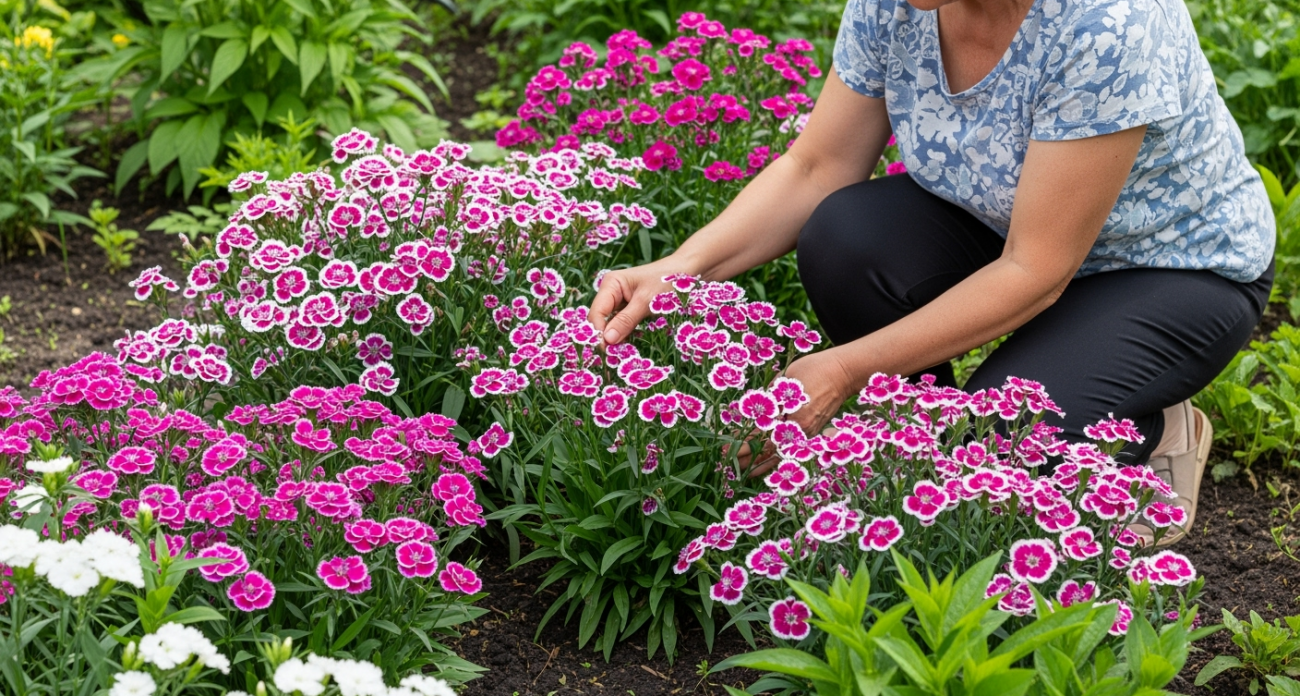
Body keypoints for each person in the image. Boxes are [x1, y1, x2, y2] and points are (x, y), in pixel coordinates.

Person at [587, 0, 1276, 545]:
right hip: (1008, 227)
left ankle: (1155, 428)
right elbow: (816, 166)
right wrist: (680, 269)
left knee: (1002, 441)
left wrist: (847, 369)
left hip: (1167, 268)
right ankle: (918, 441)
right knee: (845, 237)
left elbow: (1037, 269)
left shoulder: (1109, 21)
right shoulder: (901, 3)